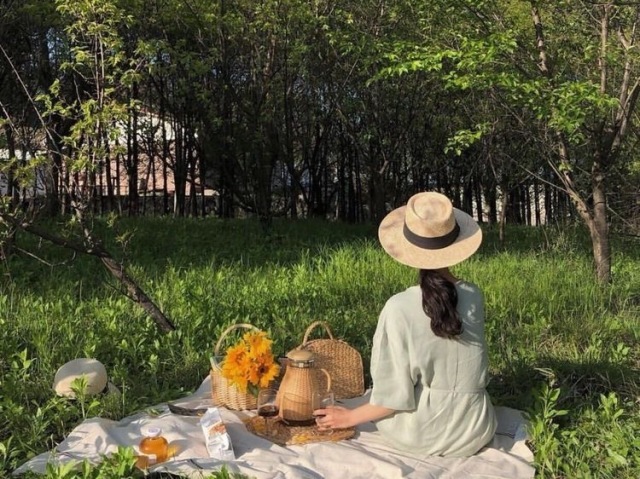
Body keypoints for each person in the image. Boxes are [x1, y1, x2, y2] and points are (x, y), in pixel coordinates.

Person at [314, 191, 497, 457]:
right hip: (476, 429)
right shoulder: (474, 295)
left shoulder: (399, 307)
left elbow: (392, 397)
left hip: (423, 434)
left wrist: (349, 417)